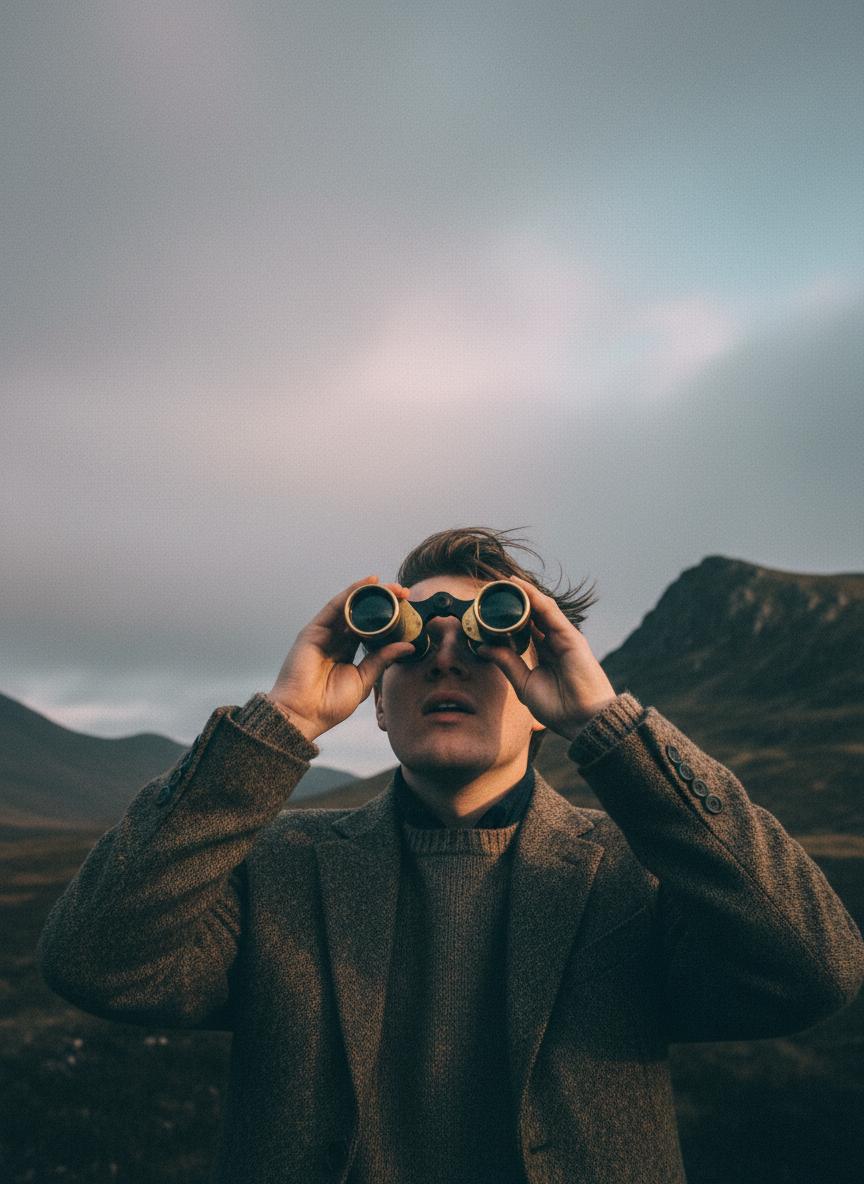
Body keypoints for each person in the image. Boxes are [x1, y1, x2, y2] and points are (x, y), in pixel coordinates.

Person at [38, 527, 864, 1184]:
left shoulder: (634, 876)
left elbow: (813, 968)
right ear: (377, 706)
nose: (444, 656)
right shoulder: (277, 868)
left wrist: (608, 725)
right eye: (412, 644)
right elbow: (95, 957)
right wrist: (282, 721)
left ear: (541, 698)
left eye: (486, 639)